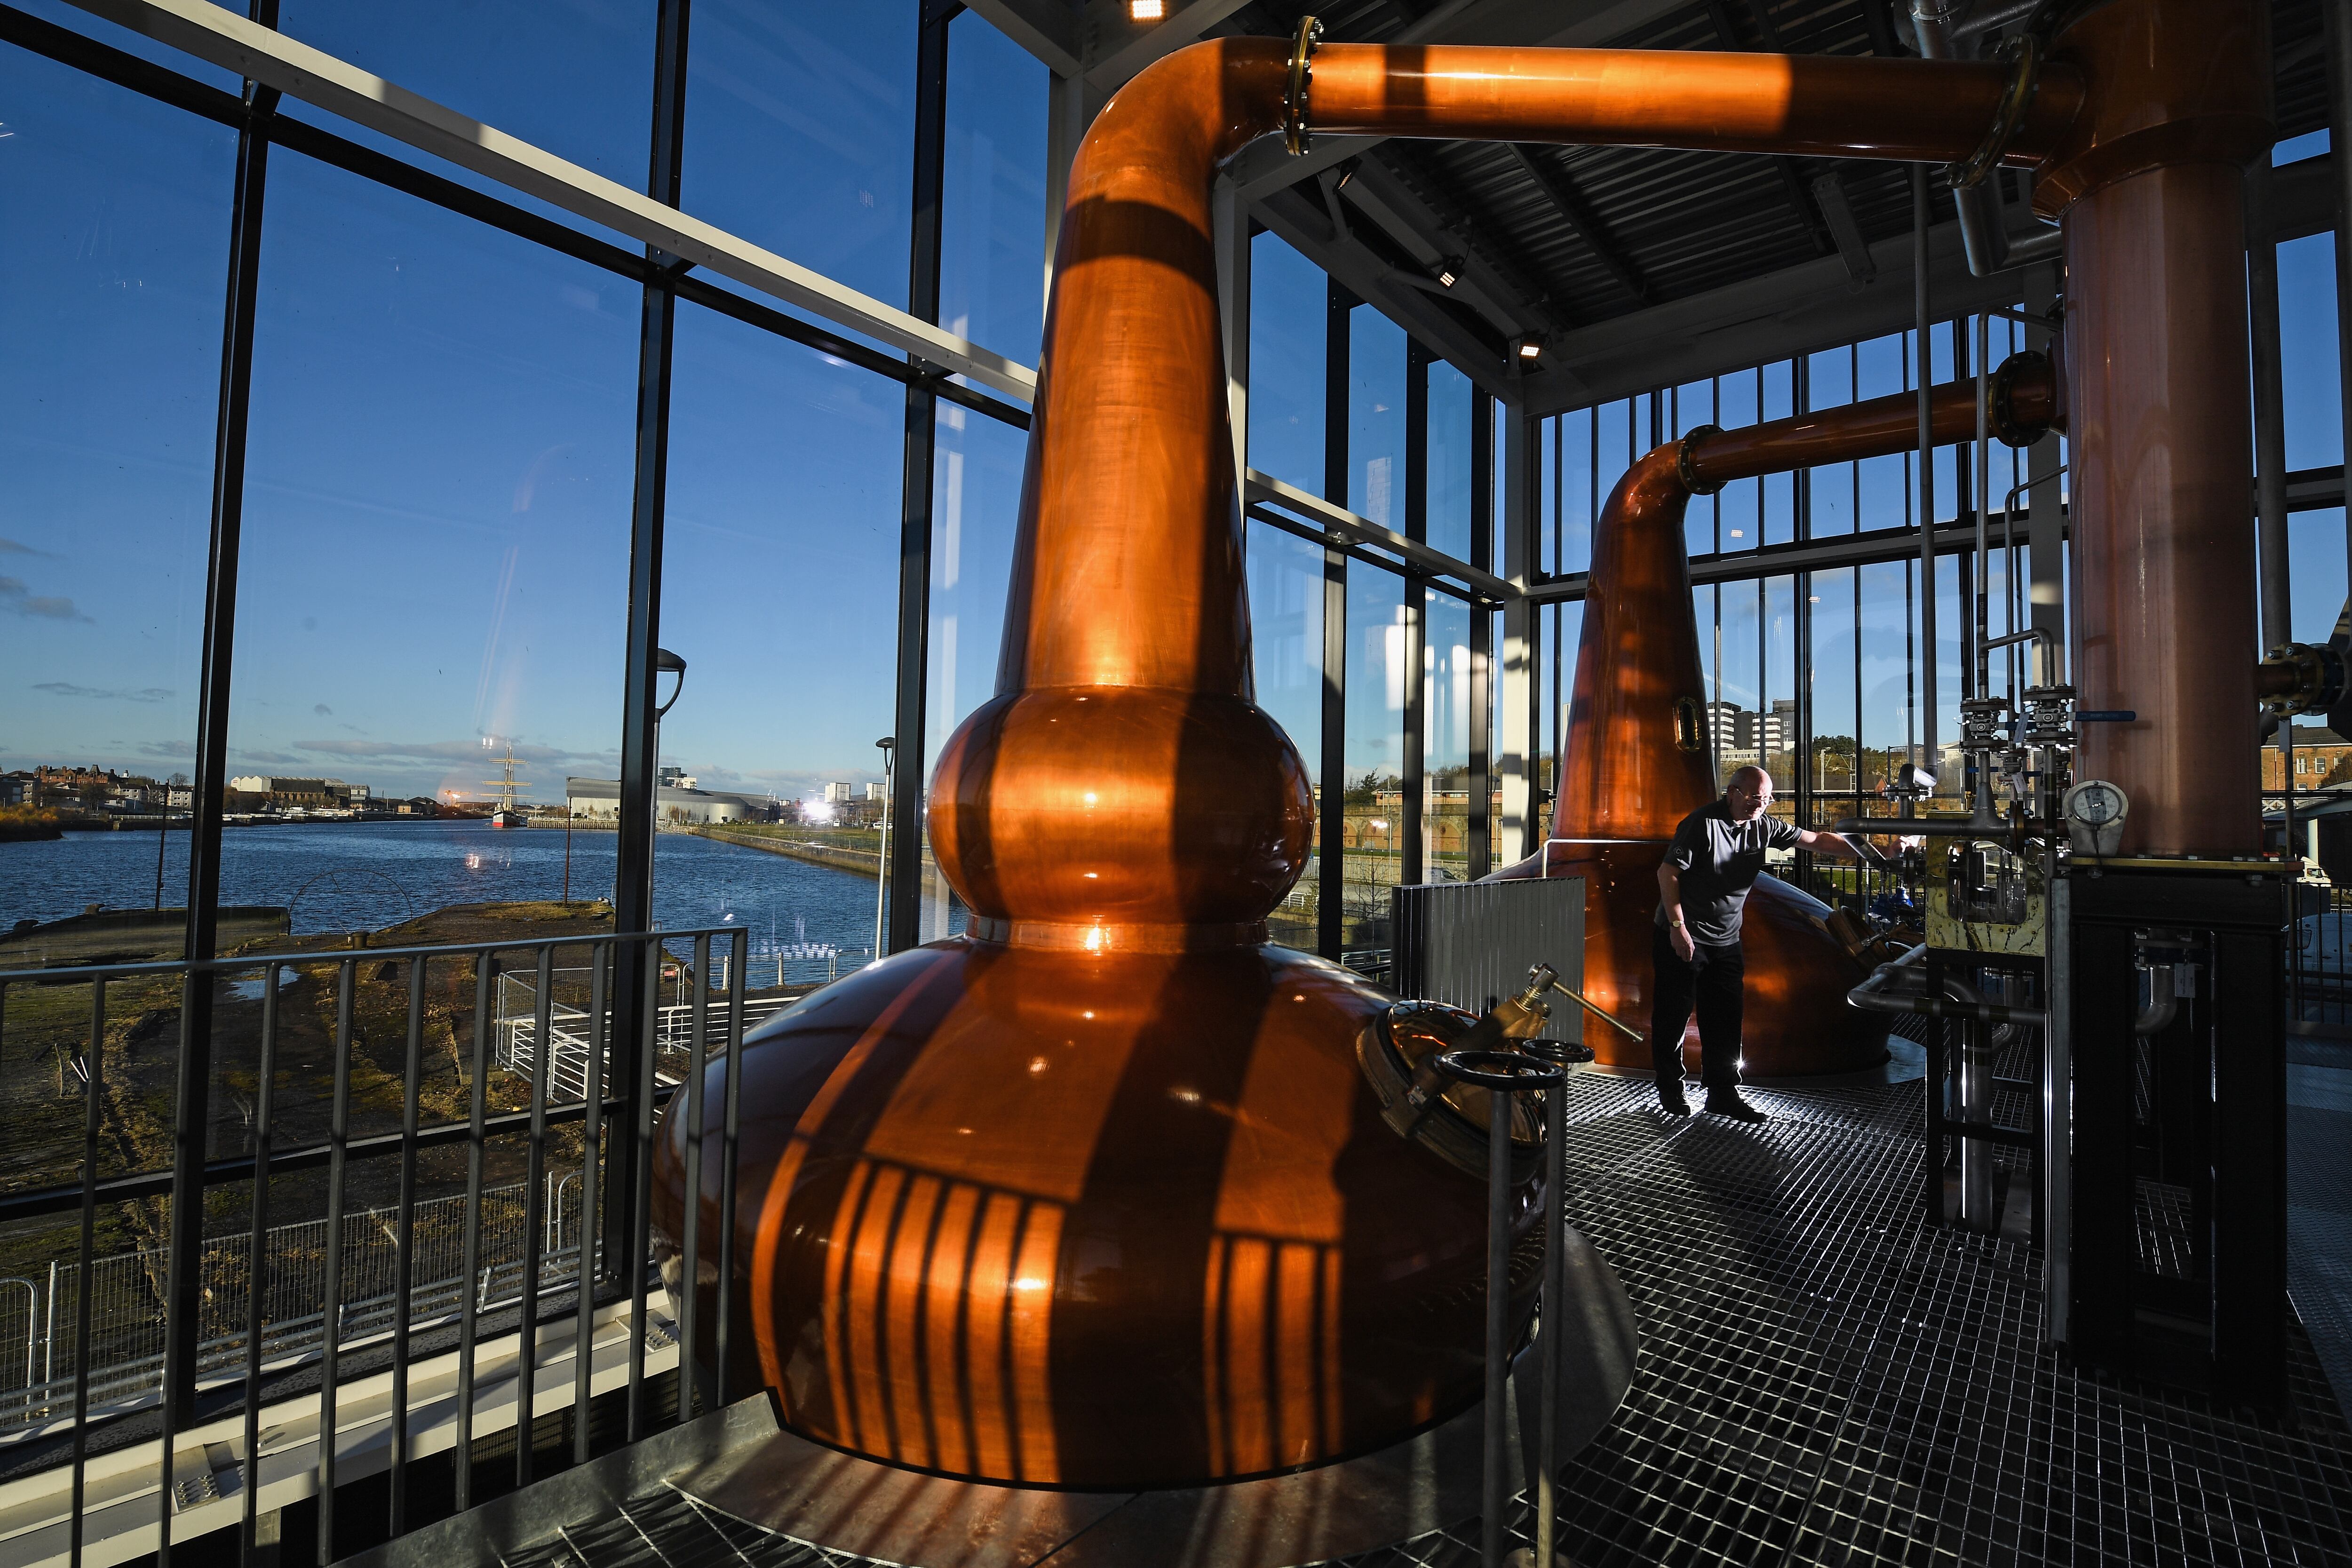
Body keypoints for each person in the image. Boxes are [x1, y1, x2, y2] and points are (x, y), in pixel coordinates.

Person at [1653, 765, 1869, 1121]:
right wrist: (1678, 928)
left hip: (1726, 939)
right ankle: (1671, 1089)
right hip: (1682, 935)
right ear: (1732, 792)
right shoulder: (1702, 823)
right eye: (1755, 797)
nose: (1761, 805)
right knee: (1673, 1018)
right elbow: (1668, 872)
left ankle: (1722, 1093)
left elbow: (1815, 840)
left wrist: (1872, 851)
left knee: (1725, 1018)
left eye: (1767, 799)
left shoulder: (1763, 825)